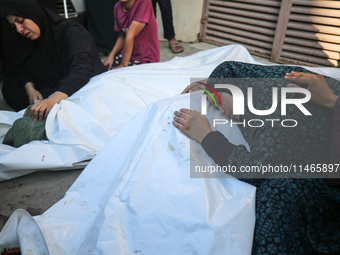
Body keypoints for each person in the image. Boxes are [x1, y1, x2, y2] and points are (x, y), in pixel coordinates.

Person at [173, 61, 340, 254]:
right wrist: (214, 83)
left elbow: (261, 168)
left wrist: (206, 135)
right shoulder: (265, 86)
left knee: (276, 191)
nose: (223, 112)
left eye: (219, 103)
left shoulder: (272, 102)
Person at [0, 0, 106, 120]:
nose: (19, 29)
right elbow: (23, 67)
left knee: (82, 97)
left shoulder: (71, 31)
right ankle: (45, 106)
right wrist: (31, 89)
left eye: (20, 21)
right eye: (14, 26)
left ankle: (50, 106)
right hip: (48, 84)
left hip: (75, 83)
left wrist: (53, 99)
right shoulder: (25, 39)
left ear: (32, 13)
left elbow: (82, 69)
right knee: (11, 87)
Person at [103, 0, 160, 70]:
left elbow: (130, 35)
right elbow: (122, 36)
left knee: (120, 76)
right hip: (127, 56)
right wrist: (111, 56)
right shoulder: (117, 7)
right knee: (105, 69)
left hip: (145, 58)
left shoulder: (144, 2)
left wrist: (123, 65)